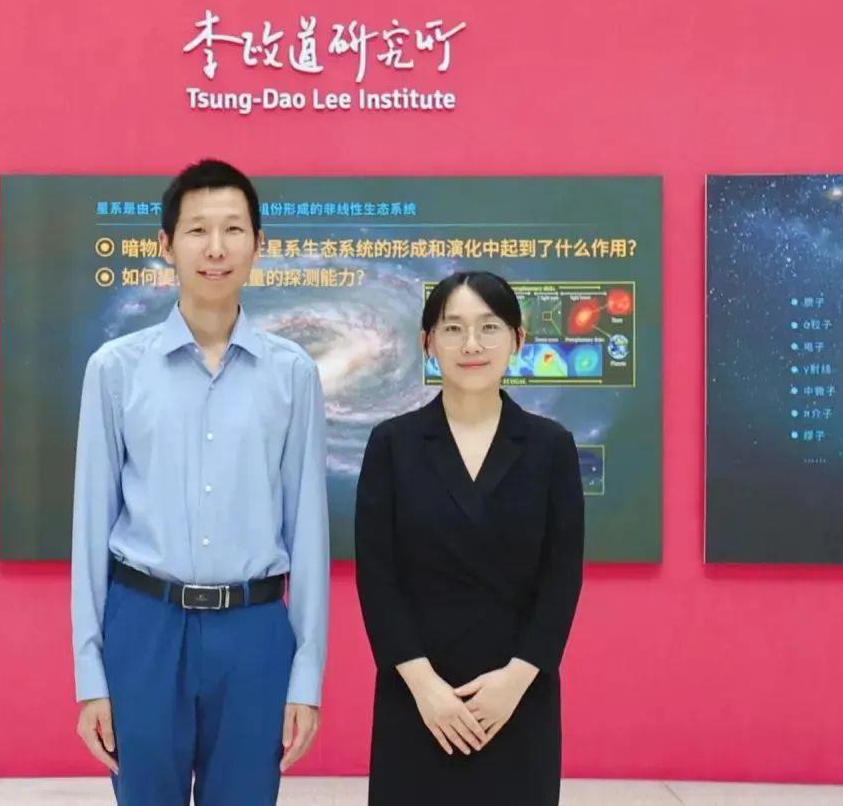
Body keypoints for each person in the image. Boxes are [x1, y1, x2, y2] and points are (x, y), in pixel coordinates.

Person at [71, 159, 330, 806]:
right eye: (197, 230)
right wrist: (90, 674)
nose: (216, 248)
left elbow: (308, 530)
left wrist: (306, 677)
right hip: (144, 626)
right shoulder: (115, 370)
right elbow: (90, 528)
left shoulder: (292, 374)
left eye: (233, 229)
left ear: (257, 244)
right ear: (167, 244)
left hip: (253, 630)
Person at [354, 270, 585, 805]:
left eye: (489, 327)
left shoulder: (550, 447)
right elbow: (378, 578)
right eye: (453, 328)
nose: (472, 344)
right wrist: (424, 686)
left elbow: (561, 578)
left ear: (518, 339)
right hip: (417, 697)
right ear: (427, 342)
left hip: (517, 697)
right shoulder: (393, 444)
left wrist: (516, 680)